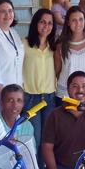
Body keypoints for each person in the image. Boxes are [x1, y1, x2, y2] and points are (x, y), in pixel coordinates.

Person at [22, 8, 56, 149]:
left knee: (48, 138)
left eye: (49, 23)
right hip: (31, 97)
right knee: (35, 137)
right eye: (42, 22)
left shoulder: (54, 47)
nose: (46, 26)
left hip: (49, 97)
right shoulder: (23, 44)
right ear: (35, 23)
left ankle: (44, 168)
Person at [53, 6, 85, 105]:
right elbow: (56, 71)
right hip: (64, 95)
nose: (78, 23)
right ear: (68, 22)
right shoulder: (61, 45)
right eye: (74, 20)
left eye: (81, 19)